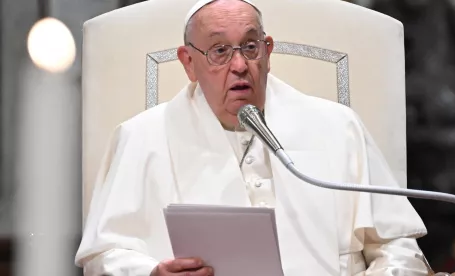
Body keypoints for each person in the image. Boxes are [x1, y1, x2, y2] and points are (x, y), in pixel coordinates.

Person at [75, 0, 433, 275]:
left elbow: (399, 246)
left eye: (250, 46)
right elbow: (103, 256)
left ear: (268, 51)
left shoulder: (338, 129)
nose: (240, 65)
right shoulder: (141, 138)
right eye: (219, 51)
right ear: (188, 62)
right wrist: (151, 273)